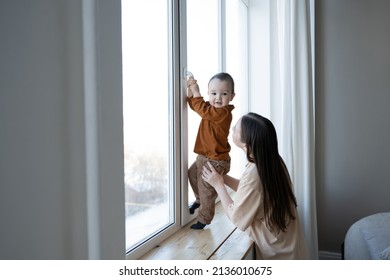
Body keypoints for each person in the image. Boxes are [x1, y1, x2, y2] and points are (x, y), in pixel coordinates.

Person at [201, 112, 309, 259]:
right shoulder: (272, 160)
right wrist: (223, 178)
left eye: (236, 128)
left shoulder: (254, 173)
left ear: (246, 142)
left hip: (279, 254)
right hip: (291, 247)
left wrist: (218, 186)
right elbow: (254, 192)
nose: (232, 129)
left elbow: (237, 217)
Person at [187, 72, 235, 230]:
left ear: (232, 96)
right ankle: (199, 199)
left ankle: (203, 219)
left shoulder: (223, 113)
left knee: (207, 189)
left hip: (216, 160)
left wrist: (196, 92)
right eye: (214, 93)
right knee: (192, 174)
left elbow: (203, 110)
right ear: (209, 94)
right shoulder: (210, 108)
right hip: (204, 157)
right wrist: (190, 93)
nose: (218, 98)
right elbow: (197, 106)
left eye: (224, 94)